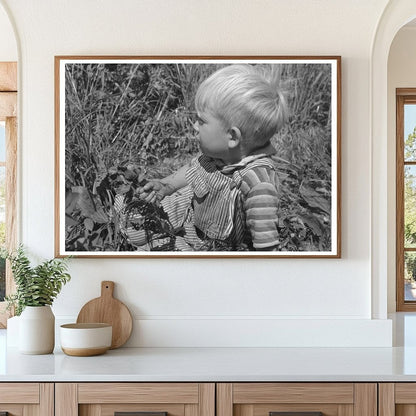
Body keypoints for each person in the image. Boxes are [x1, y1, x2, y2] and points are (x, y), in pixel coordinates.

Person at [131, 64, 288, 251]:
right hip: (193, 221)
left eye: (202, 121)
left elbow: (266, 246)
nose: (195, 127)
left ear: (232, 137)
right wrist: (166, 186)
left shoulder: (258, 185)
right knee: (136, 227)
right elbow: (193, 168)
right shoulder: (219, 155)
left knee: (155, 249)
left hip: (216, 248)